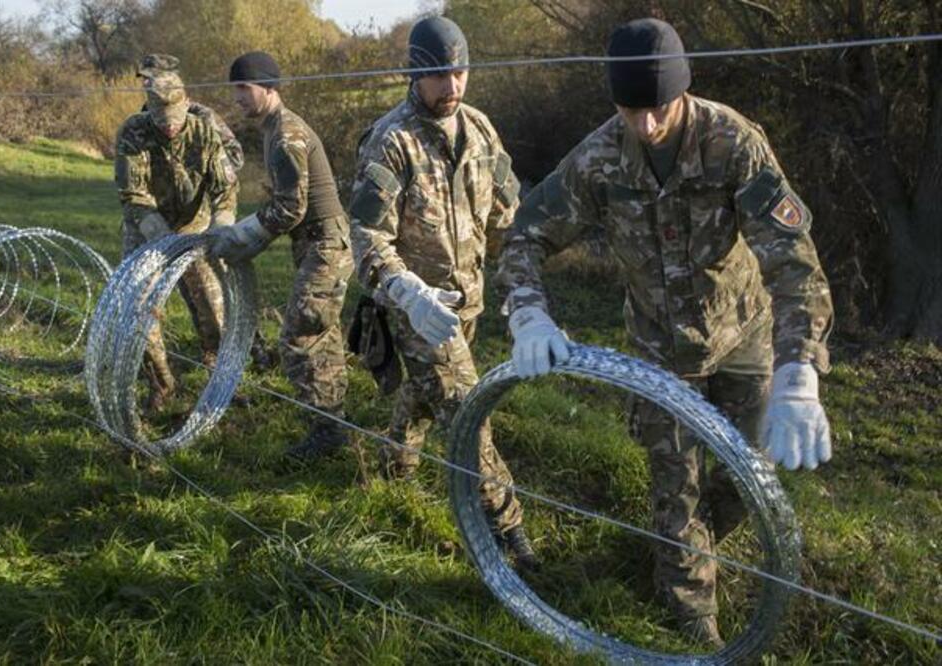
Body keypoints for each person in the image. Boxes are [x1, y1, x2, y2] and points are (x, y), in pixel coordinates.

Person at [496, 18, 834, 645]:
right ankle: (692, 626)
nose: (646, 125)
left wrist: (798, 371)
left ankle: (681, 548)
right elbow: (526, 233)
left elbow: (793, 262)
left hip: (743, 341)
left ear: (683, 92)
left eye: (659, 109)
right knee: (675, 487)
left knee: (746, 481)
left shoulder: (733, 143)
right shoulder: (599, 158)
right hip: (659, 353)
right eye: (631, 110)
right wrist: (528, 311)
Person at [348, 16, 536, 567]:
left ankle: (393, 465)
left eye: (461, 73)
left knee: (431, 390)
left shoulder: (479, 129)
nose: (452, 86)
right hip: (416, 307)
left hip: (468, 302)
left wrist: (527, 284)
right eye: (439, 76)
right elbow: (365, 235)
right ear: (414, 72)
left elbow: (509, 213)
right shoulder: (391, 141)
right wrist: (404, 289)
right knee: (466, 407)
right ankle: (509, 532)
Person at [209, 51, 354, 458]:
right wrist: (250, 239)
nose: (236, 97)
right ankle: (333, 423)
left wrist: (244, 235)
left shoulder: (287, 134)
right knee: (320, 332)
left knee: (299, 335)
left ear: (268, 87)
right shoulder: (273, 128)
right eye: (234, 87)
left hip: (326, 242)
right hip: (317, 242)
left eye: (243, 88)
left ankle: (328, 431)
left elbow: (291, 208)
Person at [115, 54, 239, 410]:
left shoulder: (203, 130)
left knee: (212, 305)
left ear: (186, 106)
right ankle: (161, 383)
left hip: (196, 226)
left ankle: (219, 378)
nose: (169, 128)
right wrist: (158, 233)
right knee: (139, 309)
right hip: (146, 232)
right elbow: (133, 194)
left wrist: (223, 221)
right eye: (161, 121)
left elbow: (224, 185)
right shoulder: (133, 132)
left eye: (174, 121)